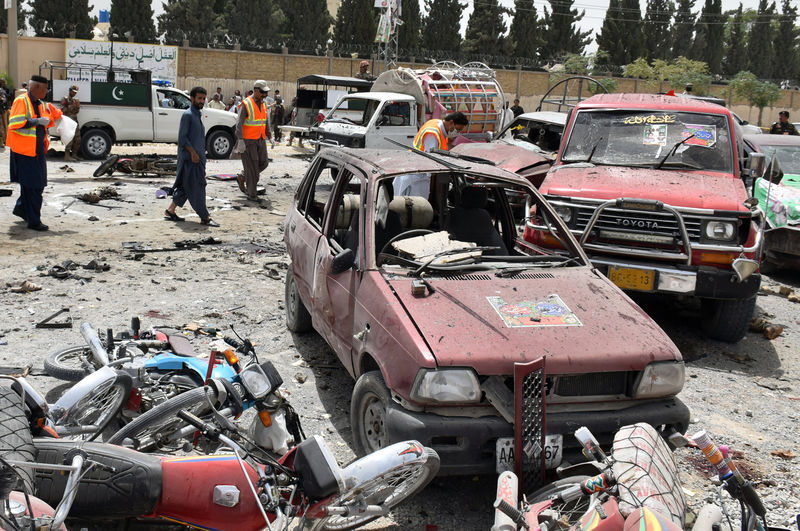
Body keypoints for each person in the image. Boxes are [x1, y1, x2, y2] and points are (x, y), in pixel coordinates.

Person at [7, 75, 63, 231]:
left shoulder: (41, 103)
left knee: (31, 184)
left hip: (36, 151)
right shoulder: (21, 101)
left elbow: (55, 114)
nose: (47, 91)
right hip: (24, 151)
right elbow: (14, 123)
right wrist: (36, 121)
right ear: (36, 88)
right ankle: (33, 221)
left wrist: (60, 118)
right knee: (35, 186)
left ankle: (22, 209)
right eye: (45, 88)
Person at [164, 86, 219, 227]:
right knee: (198, 187)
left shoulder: (196, 114)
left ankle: (171, 210)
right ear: (192, 99)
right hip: (191, 159)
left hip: (196, 158)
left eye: (203, 98)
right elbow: (182, 139)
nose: (202, 101)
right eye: (199, 98)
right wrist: (193, 153)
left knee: (185, 186)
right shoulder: (188, 115)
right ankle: (205, 217)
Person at [394, 111, 469, 196]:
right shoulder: (433, 134)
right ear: (451, 122)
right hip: (416, 174)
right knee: (415, 204)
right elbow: (429, 162)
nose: (457, 133)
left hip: (416, 170)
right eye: (457, 129)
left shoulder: (437, 124)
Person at [233, 80, 270, 201]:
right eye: (263, 92)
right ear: (255, 90)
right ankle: (252, 194)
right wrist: (241, 140)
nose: (265, 95)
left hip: (260, 139)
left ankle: (243, 176)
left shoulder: (263, 103)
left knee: (264, 163)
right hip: (248, 141)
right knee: (253, 167)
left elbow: (265, 120)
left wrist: (269, 134)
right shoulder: (246, 103)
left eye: (266, 92)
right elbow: (239, 123)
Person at [59, 84, 81, 161]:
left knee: (78, 139)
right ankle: (67, 156)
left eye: (76, 92)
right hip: (68, 121)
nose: (74, 93)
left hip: (74, 121)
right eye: (73, 91)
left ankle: (74, 154)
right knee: (69, 138)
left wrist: (77, 106)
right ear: (70, 91)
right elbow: (63, 110)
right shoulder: (65, 99)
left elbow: (76, 112)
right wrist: (72, 106)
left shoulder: (75, 100)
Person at [0, 78, 11, 147]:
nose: (4, 84)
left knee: (4, 125)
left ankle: (4, 140)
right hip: (2, 110)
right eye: (3, 82)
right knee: (3, 126)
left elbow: (5, 99)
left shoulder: (3, 90)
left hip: (3, 110)